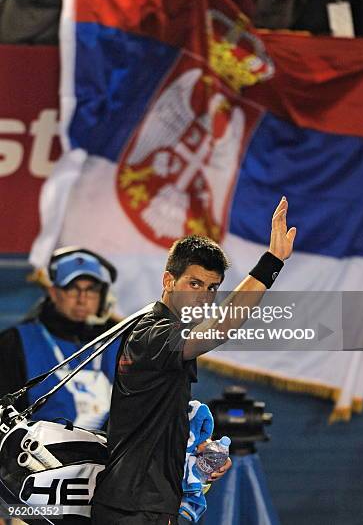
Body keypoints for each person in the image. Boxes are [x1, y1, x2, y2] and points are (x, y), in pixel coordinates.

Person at [91, 196, 296, 525]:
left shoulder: (166, 336)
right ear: (168, 281)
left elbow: (151, 426)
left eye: (212, 287)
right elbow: (219, 328)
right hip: (134, 512)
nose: (203, 296)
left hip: (146, 507)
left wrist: (197, 454)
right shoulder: (152, 335)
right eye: (194, 283)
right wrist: (271, 262)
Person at [0, 247, 121, 430]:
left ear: (101, 295)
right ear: (54, 293)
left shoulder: (120, 340)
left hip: (109, 453)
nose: (82, 299)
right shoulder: (15, 342)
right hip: (38, 453)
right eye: (72, 289)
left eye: (91, 290)